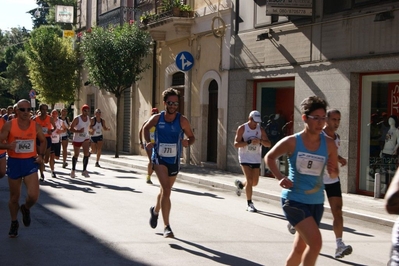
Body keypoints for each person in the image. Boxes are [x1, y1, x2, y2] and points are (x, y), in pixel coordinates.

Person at [265, 96, 339, 266]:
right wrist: (280, 177)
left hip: (316, 201)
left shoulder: (329, 144)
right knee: (316, 243)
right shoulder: (292, 142)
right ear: (305, 118)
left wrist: (334, 171)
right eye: (316, 118)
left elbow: (334, 173)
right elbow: (269, 158)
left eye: (323, 118)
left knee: (300, 248)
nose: (321, 123)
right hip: (294, 200)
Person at [144, 88, 195, 238]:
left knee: (164, 191)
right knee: (166, 190)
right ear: (165, 103)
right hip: (159, 158)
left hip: (174, 160)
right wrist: (148, 142)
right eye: (170, 103)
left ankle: (155, 211)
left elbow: (192, 137)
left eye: (175, 103)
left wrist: (187, 142)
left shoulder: (182, 120)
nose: (173, 106)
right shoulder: (157, 118)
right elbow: (145, 129)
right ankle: (167, 226)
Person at [0, 99, 46, 237]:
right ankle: (14, 222)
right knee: (14, 197)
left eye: (28, 110)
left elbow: (43, 141)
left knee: (33, 196)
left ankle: (25, 208)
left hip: (30, 163)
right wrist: (8, 146)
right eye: (23, 110)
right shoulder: (9, 125)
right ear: (16, 111)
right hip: (14, 163)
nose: (26, 112)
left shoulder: (35, 126)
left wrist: (41, 155)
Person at [234, 110, 271, 212]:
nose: (256, 124)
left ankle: (241, 184)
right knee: (249, 180)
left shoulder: (260, 130)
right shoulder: (242, 128)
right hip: (245, 157)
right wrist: (248, 142)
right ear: (250, 119)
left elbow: (268, 144)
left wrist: (260, 141)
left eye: (258, 122)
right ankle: (249, 203)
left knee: (254, 182)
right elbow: (236, 144)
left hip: (256, 158)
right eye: (255, 121)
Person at [33, 104, 56, 181]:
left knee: (46, 159)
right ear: (40, 110)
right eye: (43, 109)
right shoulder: (35, 119)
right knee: (40, 156)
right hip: (39, 139)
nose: (44, 111)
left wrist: (51, 130)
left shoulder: (50, 118)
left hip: (47, 139)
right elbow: (31, 128)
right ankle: (42, 174)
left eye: (46, 110)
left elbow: (55, 127)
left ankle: (43, 164)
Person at [70, 104, 91, 178]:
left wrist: (90, 131)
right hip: (77, 138)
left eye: (88, 111)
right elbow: (71, 128)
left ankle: (84, 170)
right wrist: (78, 131)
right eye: (85, 111)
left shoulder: (89, 118)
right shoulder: (77, 118)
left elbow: (89, 127)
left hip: (85, 138)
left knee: (86, 154)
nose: (86, 112)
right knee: (76, 154)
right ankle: (73, 170)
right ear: (82, 111)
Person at [139, 107, 159, 184]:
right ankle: (148, 177)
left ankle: (152, 175)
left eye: (156, 114)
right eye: (153, 114)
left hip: (157, 144)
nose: (154, 115)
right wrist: (141, 142)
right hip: (148, 144)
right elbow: (141, 132)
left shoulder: (159, 123)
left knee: (157, 162)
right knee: (151, 160)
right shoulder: (147, 122)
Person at [381, 115, 399, 192]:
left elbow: (398, 142)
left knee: (391, 170)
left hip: (391, 152)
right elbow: (386, 141)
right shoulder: (388, 130)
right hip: (385, 151)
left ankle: (393, 186)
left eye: (391, 120)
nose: (390, 121)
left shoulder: (396, 130)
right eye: (389, 120)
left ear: (394, 121)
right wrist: (382, 150)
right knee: (385, 169)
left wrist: (395, 149)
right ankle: (385, 185)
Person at [49, 109, 66, 178]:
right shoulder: (48, 121)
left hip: (57, 141)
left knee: (57, 157)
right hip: (50, 141)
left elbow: (65, 129)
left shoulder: (60, 121)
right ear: (51, 114)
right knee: (52, 156)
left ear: (57, 115)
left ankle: (53, 162)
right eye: (53, 113)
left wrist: (61, 131)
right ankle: (52, 171)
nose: (54, 114)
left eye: (55, 113)